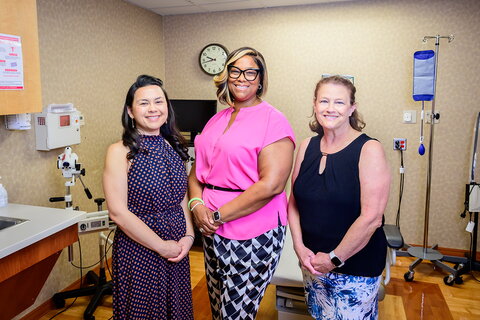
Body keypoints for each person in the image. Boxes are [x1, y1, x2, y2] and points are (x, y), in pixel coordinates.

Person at [188, 47, 295, 319]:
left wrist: (216, 215)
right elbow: (197, 169)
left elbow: (271, 185)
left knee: (237, 313)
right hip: (211, 228)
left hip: (253, 231)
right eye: (235, 71)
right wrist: (197, 204)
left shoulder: (274, 120)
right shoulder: (218, 118)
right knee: (218, 306)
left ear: (261, 79)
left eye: (250, 72)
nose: (241, 78)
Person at [288, 75, 390, 320]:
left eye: (339, 102)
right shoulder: (306, 146)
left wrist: (334, 258)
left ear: (352, 108)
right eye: (324, 101)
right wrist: (299, 247)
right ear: (314, 105)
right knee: (319, 315)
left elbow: (372, 218)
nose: (330, 108)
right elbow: (293, 202)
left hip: (355, 265)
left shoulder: (369, 149)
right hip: (313, 263)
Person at [103, 74, 194, 319]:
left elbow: (181, 199)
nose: (153, 108)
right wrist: (161, 246)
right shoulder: (120, 151)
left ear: (167, 107)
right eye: (144, 103)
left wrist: (188, 236)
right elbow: (118, 212)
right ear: (130, 111)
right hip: (141, 249)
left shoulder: (173, 146)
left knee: (176, 310)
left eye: (158, 101)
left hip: (177, 247)